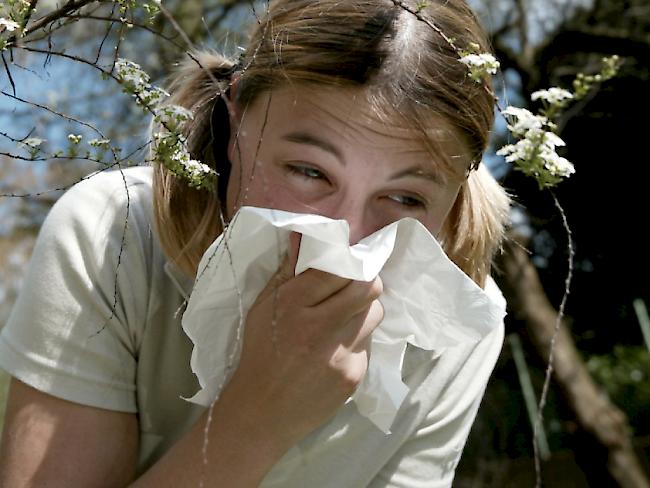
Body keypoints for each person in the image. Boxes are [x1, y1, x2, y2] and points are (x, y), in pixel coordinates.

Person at [0, 0, 510, 486]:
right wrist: (256, 420)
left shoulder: (463, 323)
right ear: (238, 112)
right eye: (308, 171)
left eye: (404, 198)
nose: (346, 238)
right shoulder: (111, 235)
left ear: (460, 184)